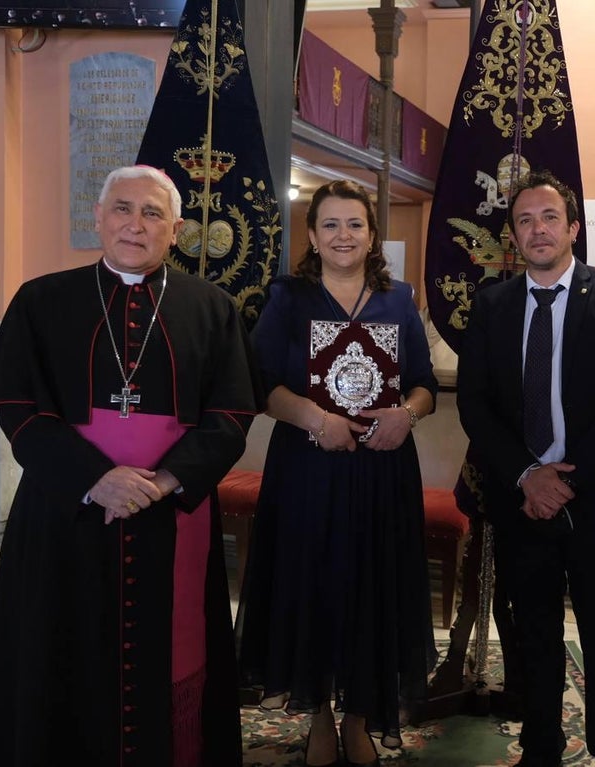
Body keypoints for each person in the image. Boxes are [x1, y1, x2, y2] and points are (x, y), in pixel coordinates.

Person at [0, 165, 258, 767]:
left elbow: (231, 415)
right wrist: (95, 479)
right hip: (65, 510)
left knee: (169, 650)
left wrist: (163, 482)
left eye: (153, 213)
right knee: (59, 642)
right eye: (122, 209)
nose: (136, 224)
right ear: (98, 218)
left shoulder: (213, 308)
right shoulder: (41, 300)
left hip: (169, 512)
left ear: (176, 230)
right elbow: (18, 410)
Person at [457, 170, 595, 767]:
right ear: (514, 238)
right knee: (534, 634)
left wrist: (566, 481)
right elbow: (475, 403)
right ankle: (540, 748)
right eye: (525, 220)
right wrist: (528, 475)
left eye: (549, 217)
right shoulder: (493, 304)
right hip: (523, 499)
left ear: (573, 227)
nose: (538, 229)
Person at [234, 180, 438, 767]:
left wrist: (408, 415)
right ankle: (320, 716)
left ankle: (357, 719)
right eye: (330, 225)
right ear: (313, 235)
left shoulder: (399, 299)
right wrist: (314, 419)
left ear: (372, 235)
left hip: (382, 468)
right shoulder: (288, 299)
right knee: (313, 584)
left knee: (372, 586)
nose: (343, 235)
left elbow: (424, 384)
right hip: (308, 468)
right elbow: (260, 383)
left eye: (354, 224)